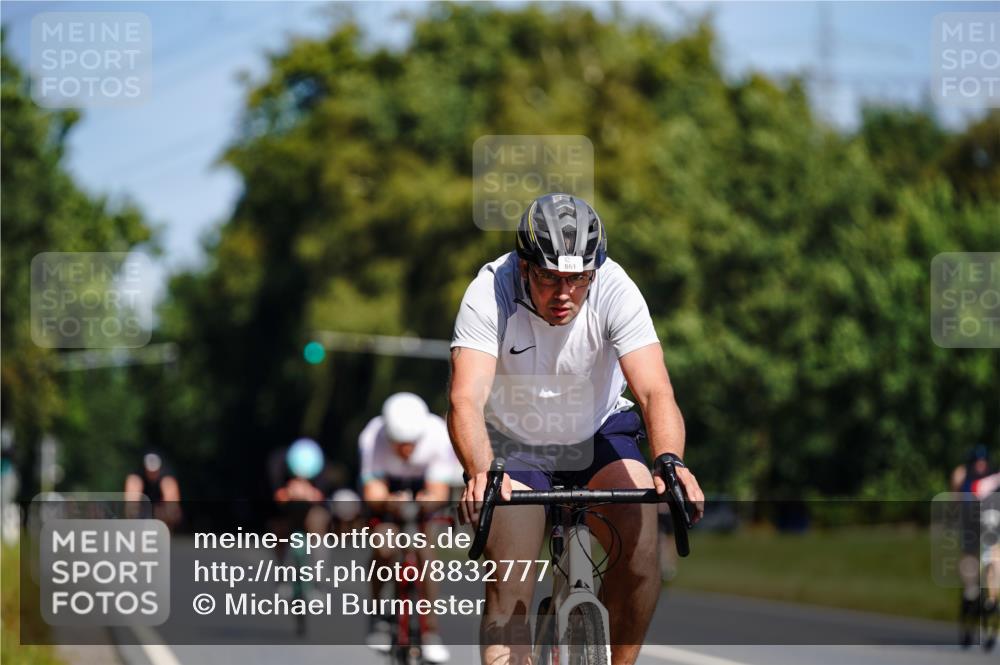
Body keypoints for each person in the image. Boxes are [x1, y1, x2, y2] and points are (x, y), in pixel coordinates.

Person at [449, 193, 705, 665]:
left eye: (577, 279)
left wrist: (670, 459)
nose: (563, 292)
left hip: (598, 431)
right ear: (525, 267)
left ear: (594, 271)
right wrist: (482, 470)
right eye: (549, 277)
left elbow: (654, 391)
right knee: (510, 582)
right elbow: (465, 398)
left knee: (642, 547)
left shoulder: (615, 288)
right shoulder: (490, 290)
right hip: (516, 441)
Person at [359, 392, 459, 663]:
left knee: (426, 555)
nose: (405, 451)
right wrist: (389, 502)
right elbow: (373, 490)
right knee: (384, 546)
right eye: (399, 444)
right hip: (388, 492)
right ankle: (379, 615)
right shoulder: (373, 436)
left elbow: (439, 490)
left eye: (411, 444)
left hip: (423, 492)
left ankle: (430, 632)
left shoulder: (438, 434)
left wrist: (425, 502)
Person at [954, 445, 1000, 650]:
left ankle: (991, 601)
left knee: (994, 563)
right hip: (972, 529)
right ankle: (970, 593)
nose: (980, 465)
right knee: (970, 567)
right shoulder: (964, 476)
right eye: (977, 462)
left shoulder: (994, 478)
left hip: (991, 528)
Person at [124, 452, 181, 529]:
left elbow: (172, 505)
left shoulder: (166, 479)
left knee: (171, 507)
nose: (152, 473)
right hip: (143, 509)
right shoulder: (137, 477)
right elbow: (131, 504)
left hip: (160, 509)